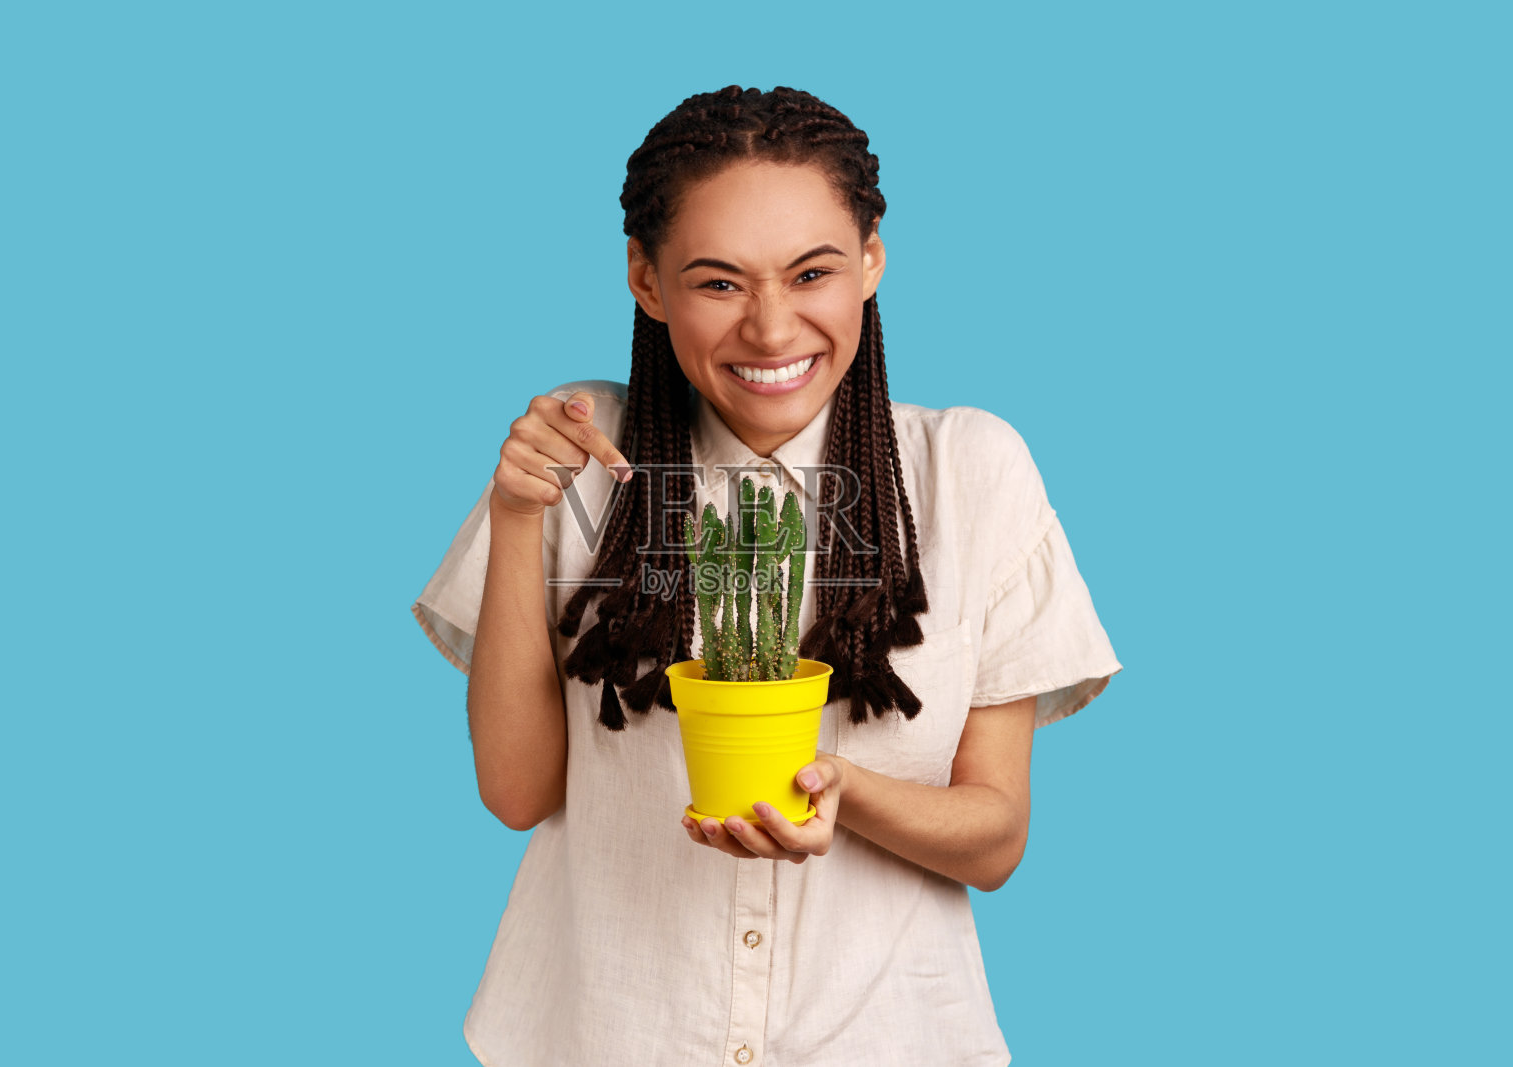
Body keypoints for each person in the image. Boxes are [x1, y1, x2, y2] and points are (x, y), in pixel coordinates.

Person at [412, 85, 1122, 1067]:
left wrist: (841, 789)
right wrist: (515, 512)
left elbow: (993, 838)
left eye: (811, 272)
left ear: (871, 260)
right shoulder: (583, 451)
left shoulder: (970, 469)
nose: (771, 327)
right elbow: (518, 790)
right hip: (608, 1035)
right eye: (717, 282)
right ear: (646, 280)